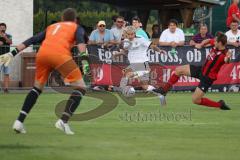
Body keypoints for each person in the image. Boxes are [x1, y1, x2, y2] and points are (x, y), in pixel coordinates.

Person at [0, 8, 87, 135]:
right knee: (81, 88)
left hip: (42, 54)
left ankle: (19, 122)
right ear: (75, 20)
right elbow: (80, 42)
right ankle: (63, 121)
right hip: (60, 55)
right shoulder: (76, 27)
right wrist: (84, 61)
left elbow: (33, 39)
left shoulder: (52, 26)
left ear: (62, 19)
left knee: (36, 88)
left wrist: (13, 53)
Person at [153, 32, 232, 110]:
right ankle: (164, 90)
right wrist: (201, 44)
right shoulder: (216, 45)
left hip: (207, 78)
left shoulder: (224, 54)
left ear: (220, 43)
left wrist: (228, 57)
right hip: (201, 69)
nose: (214, 42)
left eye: (215, 41)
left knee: (195, 100)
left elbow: (227, 61)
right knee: (178, 70)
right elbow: (208, 40)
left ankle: (219, 104)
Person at [113, 26, 166, 105]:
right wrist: (118, 54)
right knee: (145, 86)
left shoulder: (141, 39)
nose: (131, 36)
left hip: (142, 64)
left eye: (132, 34)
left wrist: (159, 50)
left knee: (127, 74)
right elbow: (126, 52)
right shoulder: (126, 42)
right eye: (128, 34)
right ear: (126, 34)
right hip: (134, 65)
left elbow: (152, 46)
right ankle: (160, 95)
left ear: (134, 33)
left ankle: (127, 91)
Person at [0, 23, 12, 93]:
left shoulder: (9, 35)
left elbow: (10, 42)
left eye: (3, 27)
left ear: (5, 28)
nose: (2, 29)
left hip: (7, 57)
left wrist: (5, 37)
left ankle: (6, 88)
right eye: (1, 27)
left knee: (7, 73)